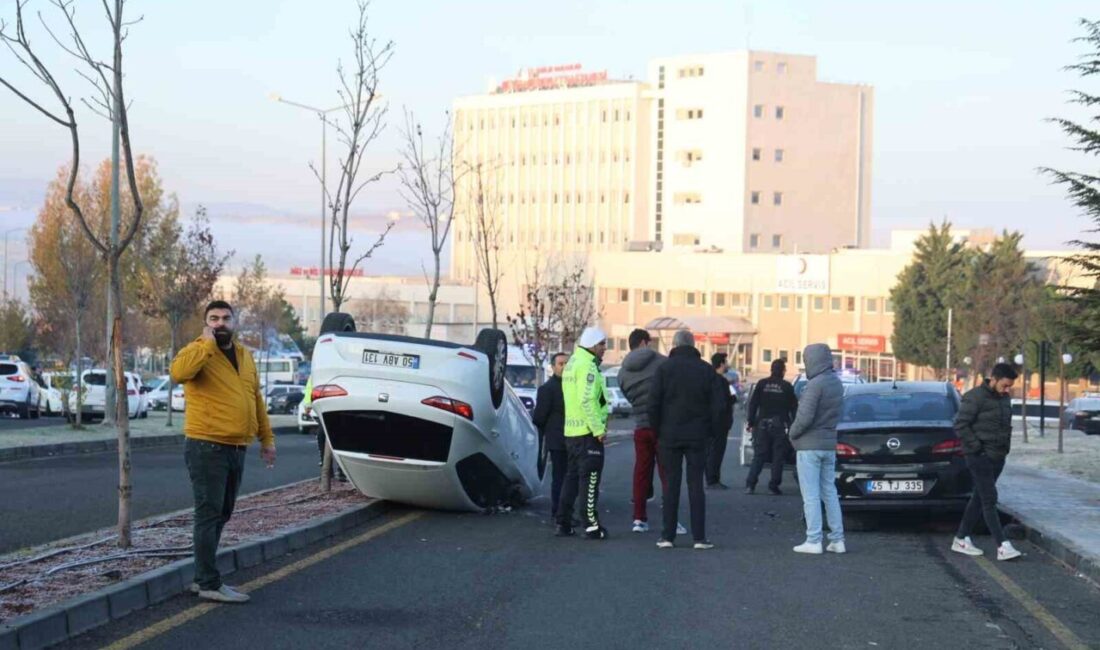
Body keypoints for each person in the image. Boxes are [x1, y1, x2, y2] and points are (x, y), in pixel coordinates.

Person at [170, 300, 276, 603]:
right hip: (207, 445)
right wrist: (204, 344)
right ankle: (207, 582)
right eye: (213, 318)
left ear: (235, 322)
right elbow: (178, 373)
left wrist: (266, 440)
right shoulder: (197, 351)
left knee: (223, 513)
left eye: (225, 318)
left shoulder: (244, 355)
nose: (220, 323)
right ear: (206, 323)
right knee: (208, 513)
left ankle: (202, 575)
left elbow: (254, 400)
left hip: (237, 447)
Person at [649, 329, 726, 550]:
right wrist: (710, 431)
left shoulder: (663, 369)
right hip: (697, 436)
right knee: (695, 486)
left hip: (669, 435)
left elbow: (653, 404)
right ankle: (699, 537)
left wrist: (658, 431)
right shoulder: (706, 370)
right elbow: (718, 406)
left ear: (673, 345)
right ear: (694, 346)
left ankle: (667, 536)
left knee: (670, 485)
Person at [951, 363, 1023, 561]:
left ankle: (961, 538)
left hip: (998, 456)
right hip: (978, 456)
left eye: (1009, 386)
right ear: (994, 379)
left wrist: (1004, 450)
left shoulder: (1004, 399)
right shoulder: (975, 397)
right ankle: (1002, 545)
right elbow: (960, 424)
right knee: (990, 499)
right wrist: (976, 448)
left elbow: (1005, 426)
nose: (1007, 389)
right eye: (1005, 385)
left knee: (979, 498)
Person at [789, 344, 845, 555]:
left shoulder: (814, 385)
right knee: (830, 492)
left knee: (810, 494)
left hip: (809, 446)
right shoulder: (836, 383)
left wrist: (791, 433)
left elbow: (804, 417)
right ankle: (837, 540)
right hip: (829, 444)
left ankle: (813, 540)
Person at [556, 327, 610, 540]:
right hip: (588, 433)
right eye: (602, 344)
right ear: (593, 345)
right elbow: (587, 400)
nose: (605, 349)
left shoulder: (572, 364)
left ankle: (563, 522)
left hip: (572, 431)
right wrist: (598, 429)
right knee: (590, 480)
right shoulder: (587, 367)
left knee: (571, 478)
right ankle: (591, 526)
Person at [745, 358, 798, 495]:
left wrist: (750, 421)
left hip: (762, 424)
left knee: (759, 455)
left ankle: (750, 484)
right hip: (779, 426)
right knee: (778, 456)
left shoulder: (762, 384)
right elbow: (794, 408)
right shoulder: (787, 386)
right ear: (783, 371)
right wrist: (794, 425)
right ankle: (773, 485)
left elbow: (753, 404)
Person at [533, 352, 568, 516]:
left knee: (569, 478)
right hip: (557, 440)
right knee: (560, 477)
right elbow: (539, 417)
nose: (565, 367)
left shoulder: (573, 386)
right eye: (561, 364)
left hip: (573, 438)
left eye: (567, 363)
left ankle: (565, 511)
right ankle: (558, 511)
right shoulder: (547, 389)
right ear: (553, 367)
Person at [706, 352, 736, 490]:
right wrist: (732, 400)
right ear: (722, 364)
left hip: (708, 421)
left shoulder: (708, 379)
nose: (727, 365)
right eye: (726, 362)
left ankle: (711, 477)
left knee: (710, 450)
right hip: (719, 422)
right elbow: (722, 402)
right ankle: (713, 480)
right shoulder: (721, 381)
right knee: (717, 451)